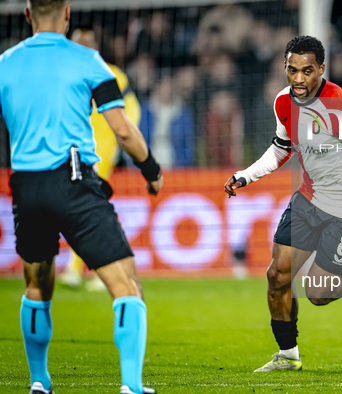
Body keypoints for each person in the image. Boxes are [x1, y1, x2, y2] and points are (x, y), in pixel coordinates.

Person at [0, 1, 163, 393]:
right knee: (126, 285)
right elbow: (123, 130)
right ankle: (131, 386)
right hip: (74, 183)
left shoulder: (5, 62)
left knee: (37, 287)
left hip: (26, 187)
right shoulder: (88, 60)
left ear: (27, 13)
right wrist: (151, 169)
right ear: (68, 13)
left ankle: (39, 381)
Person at [224, 35, 342, 372]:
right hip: (309, 199)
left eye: (307, 71)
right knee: (277, 276)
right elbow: (282, 148)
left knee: (317, 293)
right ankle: (287, 355)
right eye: (292, 69)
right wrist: (246, 175)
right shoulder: (283, 102)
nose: (298, 78)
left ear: (321, 70)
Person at [58, 26, 142, 292]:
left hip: (100, 152)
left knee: (88, 209)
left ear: (95, 46)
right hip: (69, 151)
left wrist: (123, 143)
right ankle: (96, 269)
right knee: (86, 210)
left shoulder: (112, 74)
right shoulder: (64, 74)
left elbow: (133, 108)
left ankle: (84, 270)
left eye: (86, 43)